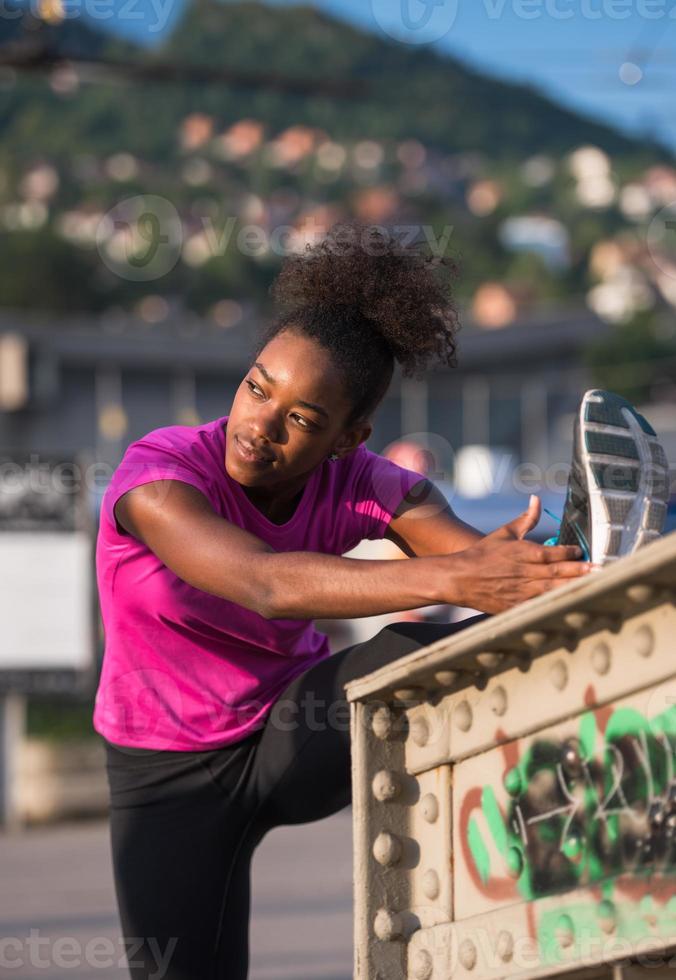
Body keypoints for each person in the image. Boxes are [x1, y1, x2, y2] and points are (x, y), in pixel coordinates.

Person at [94, 222, 592, 980]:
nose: (258, 426)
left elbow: (476, 565)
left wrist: (548, 571)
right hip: (162, 773)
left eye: (300, 419)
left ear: (347, 437)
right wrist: (451, 581)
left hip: (292, 734)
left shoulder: (363, 481)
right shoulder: (159, 477)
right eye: (257, 387)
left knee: (416, 654)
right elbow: (265, 582)